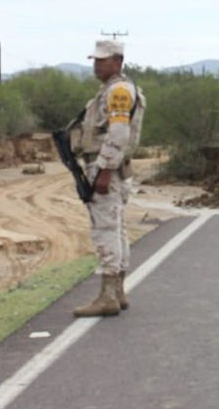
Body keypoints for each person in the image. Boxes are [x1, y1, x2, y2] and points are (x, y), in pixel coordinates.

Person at [73, 39, 145, 317]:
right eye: (95, 60)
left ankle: (108, 295)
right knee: (116, 227)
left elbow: (118, 133)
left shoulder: (118, 92)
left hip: (107, 167)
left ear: (118, 61)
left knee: (105, 229)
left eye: (102, 60)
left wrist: (103, 170)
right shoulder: (114, 90)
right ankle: (117, 292)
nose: (97, 65)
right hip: (112, 166)